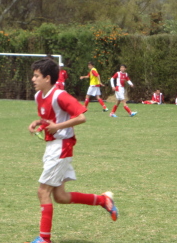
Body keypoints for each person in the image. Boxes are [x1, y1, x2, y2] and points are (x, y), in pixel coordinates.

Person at [26, 58, 118, 243]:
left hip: (61, 147)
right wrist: (40, 123)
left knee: (43, 192)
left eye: (36, 76)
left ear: (47, 78)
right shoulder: (39, 96)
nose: (33, 79)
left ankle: (44, 240)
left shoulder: (60, 95)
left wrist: (58, 126)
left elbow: (81, 117)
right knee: (60, 196)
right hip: (52, 147)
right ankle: (103, 200)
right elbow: (50, 119)